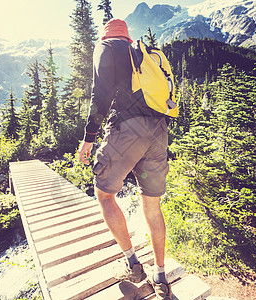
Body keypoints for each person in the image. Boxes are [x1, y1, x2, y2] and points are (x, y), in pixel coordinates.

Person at [78, 19, 172, 300]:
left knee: (105, 194)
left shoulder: (106, 47)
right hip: (159, 131)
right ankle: (160, 276)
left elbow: (101, 95)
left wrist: (89, 137)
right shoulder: (140, 55)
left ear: (106, 35)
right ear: (128, 36)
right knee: (152, 206)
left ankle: (133, 264)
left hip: (127, 130)